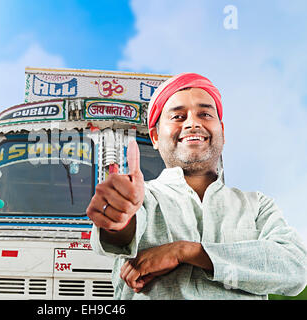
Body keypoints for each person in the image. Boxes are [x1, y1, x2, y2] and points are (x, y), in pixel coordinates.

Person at [86, 72, 307, 299]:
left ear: (222, 131)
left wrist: (186, 251)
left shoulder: (257, 205)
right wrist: (118, 220)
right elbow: (121, 233)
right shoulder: (144, 198)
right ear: (154, 137)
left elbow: (295, 268)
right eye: (178, 117)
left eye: (204, 114)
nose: (192, 123)